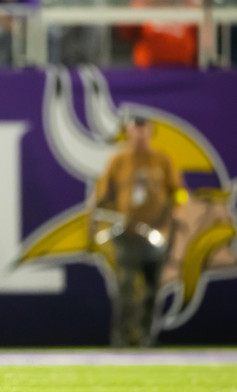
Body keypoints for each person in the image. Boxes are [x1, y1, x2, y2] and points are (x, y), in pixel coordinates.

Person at [90, 117, 185, 347]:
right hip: (128, 236)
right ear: (130, 133)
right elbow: (103, 196)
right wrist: (100, 220)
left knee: (153, 288)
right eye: (136, 131)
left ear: (150, 134)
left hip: (156, 235)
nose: (140, 136)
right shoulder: (119, 161)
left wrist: (172, 220)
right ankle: (122, 336)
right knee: (126, 287)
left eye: (144, 132)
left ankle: (145, 336)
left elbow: (178, 194)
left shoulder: (162, 161)